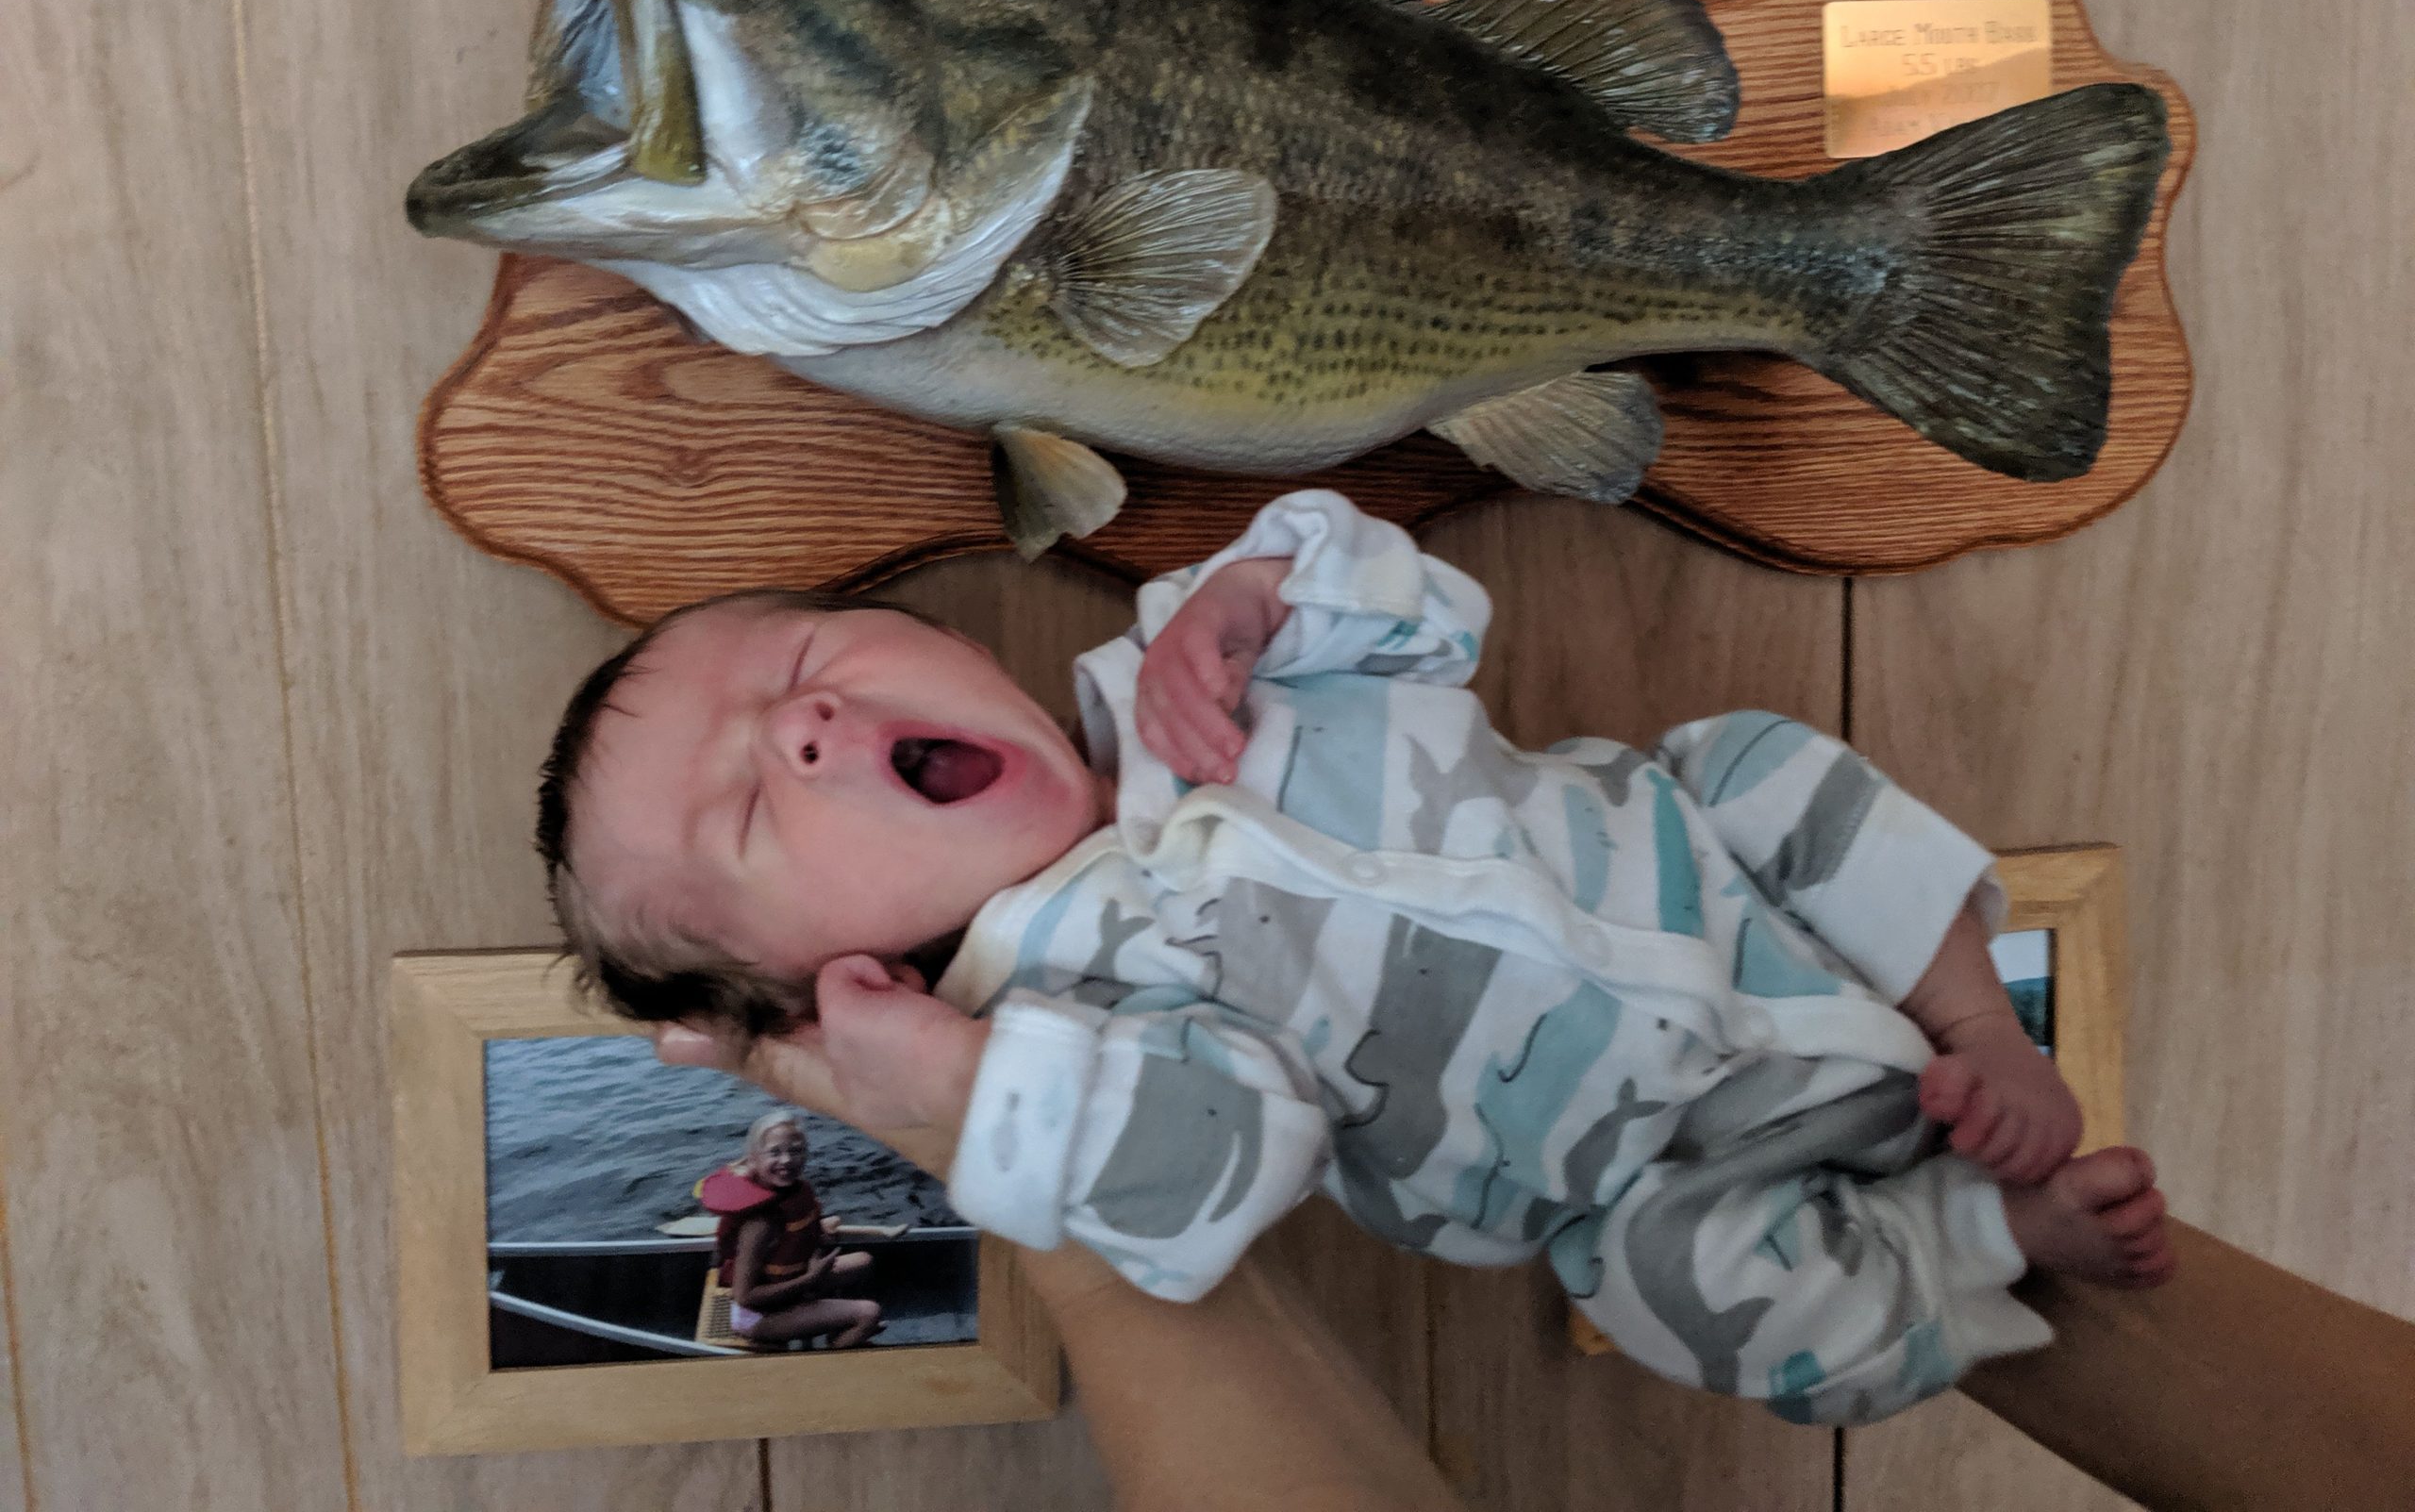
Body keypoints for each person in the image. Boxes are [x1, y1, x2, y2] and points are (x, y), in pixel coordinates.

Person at [538, 489, 2174, 1422]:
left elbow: (1423, 622)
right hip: (1663, 1166)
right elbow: (1230, 1163)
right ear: (838, 979)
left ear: (948, 642)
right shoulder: (1087, 1025)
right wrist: (972, 1086)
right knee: (1699, 1301)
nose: (810, 724)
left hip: (1720, 874)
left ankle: (1979, 1024)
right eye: (756, 806)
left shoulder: (1185, 683)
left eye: (805, 662)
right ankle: (1976, 1233)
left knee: (1753, 758)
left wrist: (1257, 595)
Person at [700, 1107, 881, 1350]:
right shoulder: (760, 1224)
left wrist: (818, 1229)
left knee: (864, 1261)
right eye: (774, 1152)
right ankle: (831, 1358)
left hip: (791, 1286)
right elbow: (745, 1297)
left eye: (795, 1151)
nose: (786, 1160)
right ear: (754, 1159)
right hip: (758, 1316)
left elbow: (797, 1237)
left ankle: (833, 1328)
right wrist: (810, 1279)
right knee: (869, 1313)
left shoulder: (795, 1191)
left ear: (805, 1154)